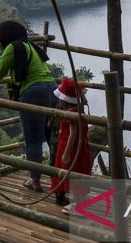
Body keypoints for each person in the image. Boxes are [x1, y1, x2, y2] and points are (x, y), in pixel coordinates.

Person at [0, 20, 56, 192]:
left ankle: (35, 180)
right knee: (51, 138)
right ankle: (58, 180)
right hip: (52, 90)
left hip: (34, 92)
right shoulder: (30, 45)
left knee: (33, 140)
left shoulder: (13, 48)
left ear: (7, 36)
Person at [50, 77, 92, 214]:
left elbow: (73, 134)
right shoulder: (79, 109)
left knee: (73, 173)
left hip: (72, 148)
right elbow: (84, 100)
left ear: (64, 99)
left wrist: (67, 153)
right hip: (76, 148)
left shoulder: (71, 113)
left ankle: (78, 204)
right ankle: (79, 202)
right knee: (77, 174)